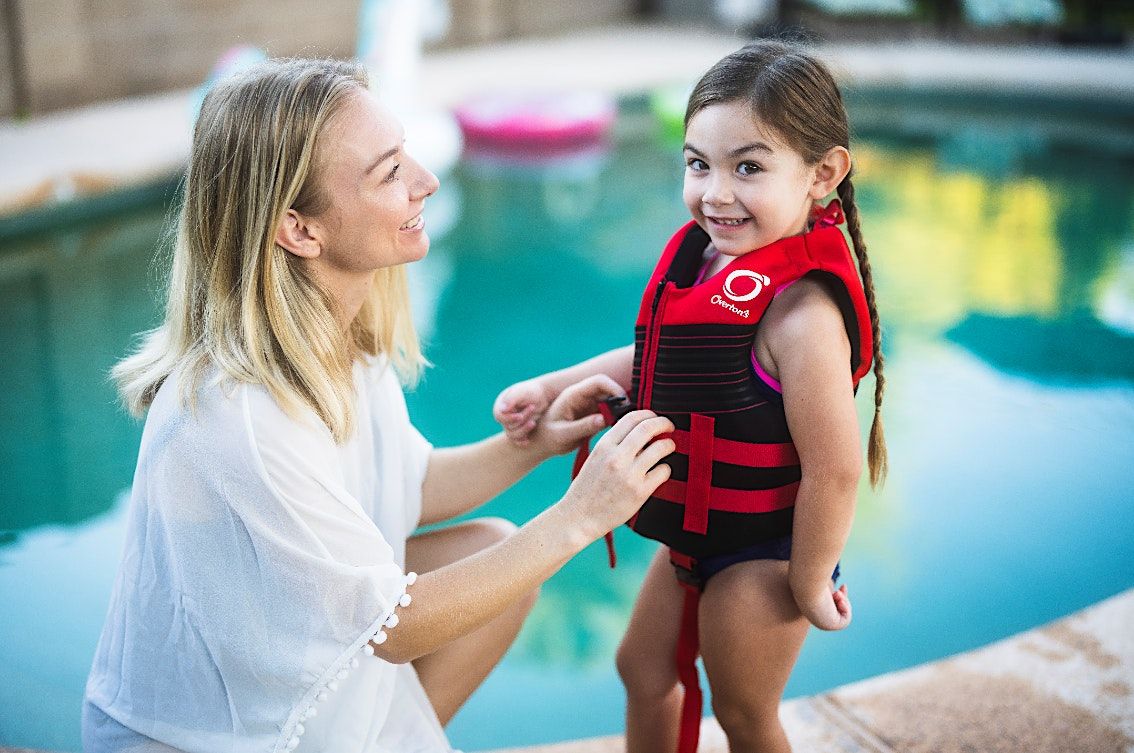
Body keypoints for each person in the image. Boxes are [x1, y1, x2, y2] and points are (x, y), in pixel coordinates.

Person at [81, 58, 676, 753]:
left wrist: (535, 441)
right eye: (390, 172)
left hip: (285, 665)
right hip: (209, 739)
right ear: (299, 229)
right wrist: (582, 515)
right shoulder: (240, 414)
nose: (426, 181)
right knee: (506, 561)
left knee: (493, 557)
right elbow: (394, 628)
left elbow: (406, 485)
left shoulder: (336, 339)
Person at [494, 40, 887, 753]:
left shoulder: (802, 315)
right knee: (641, 668)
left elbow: (835, 467)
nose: (716, 192)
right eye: (698, 163)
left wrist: (806, 582)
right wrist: (547, 388)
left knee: (744, 714)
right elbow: (655, 353)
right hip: (695, 535)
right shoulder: (706, 258)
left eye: (749, 167)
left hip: (762, 555)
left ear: (823, 174)